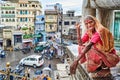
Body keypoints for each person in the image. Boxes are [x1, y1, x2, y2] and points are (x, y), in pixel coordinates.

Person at [70, 15, 119, 80]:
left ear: (95, 22)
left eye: (90, 22)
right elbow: (80, 43)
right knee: (81, 47)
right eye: (86, 24)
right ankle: (97, 68)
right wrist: (78, 30)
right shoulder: (89, 31)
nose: (89, 25)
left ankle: (105, 68)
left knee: (91, 48)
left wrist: (76, 60)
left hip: (109, 56)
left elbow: (89, 45)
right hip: (101, 54)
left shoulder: (100, 30)